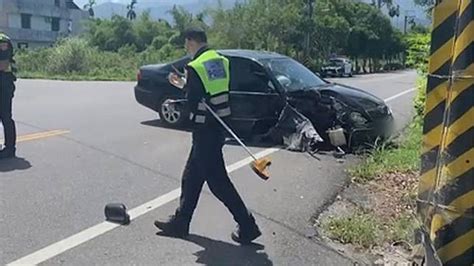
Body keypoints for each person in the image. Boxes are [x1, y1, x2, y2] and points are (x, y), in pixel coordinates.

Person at [154, 28, 262, 244]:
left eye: (186, 44)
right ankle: (181, 222)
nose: (186, 48)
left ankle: (248, 225)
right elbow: (211, 91)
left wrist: (182, 95)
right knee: (191, 177)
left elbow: (194, 102)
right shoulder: (220, 60)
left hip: (204, 130)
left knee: (218, 182)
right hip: (218, 126)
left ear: (192, 41)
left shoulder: (195, 66)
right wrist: (188, 86)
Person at [0, 32, 17, 159]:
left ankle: (10, 149)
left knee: (6, 117)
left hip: (4, 85)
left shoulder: (2, 40)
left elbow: (4, 64)